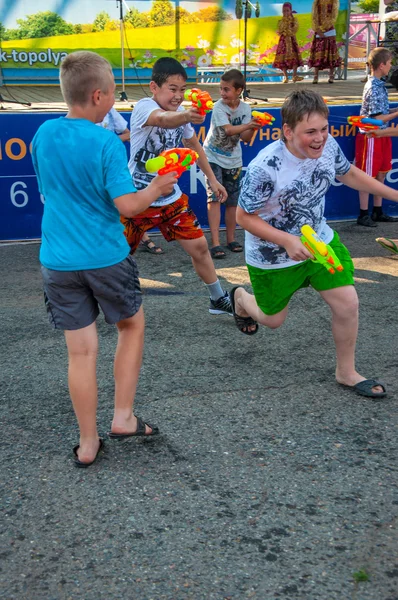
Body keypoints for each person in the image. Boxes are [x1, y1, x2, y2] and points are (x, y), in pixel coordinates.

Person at [31, 51, 178, 467]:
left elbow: (52, 190)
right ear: (98, 96)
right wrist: (158, 187)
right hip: (105, 257)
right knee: (131, 326)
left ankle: (88, 441)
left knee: (80, 353)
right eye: (113, 94)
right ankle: (123, 416)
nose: (115, 101)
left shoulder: (43, 134)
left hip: (58, 260)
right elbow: (129, 206)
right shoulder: (105, 142)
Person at [231, 89, 398, 399]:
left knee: (348, 303)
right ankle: (241, 298)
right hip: (274, 256)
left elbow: (348, 174)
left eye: (324, 129)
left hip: (320, 242)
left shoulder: (328, 145)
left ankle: (346, 372)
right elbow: (244, 217)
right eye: (311, 132)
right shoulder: (264, 167)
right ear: (288, 131)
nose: (320, 138)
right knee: (272, 319)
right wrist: (285, 240)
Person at [121, 57, 233, 316]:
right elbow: (161, 119)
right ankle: (105, 300)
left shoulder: (181, 116)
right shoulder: (143, 107)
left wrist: (213, 180)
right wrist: (185, 114)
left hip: (171, 198)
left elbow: (194, 145)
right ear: (154, 86)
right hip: (136, 198)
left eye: (182, 89)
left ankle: (217, 299)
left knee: (200, 248)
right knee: (116, 257)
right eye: (172, 88)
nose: (178, 95)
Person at [202, 68, 260, 259]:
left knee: (232, 202)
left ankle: (231, 239)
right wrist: (249, 124)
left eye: (226, 89)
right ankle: (216, 243)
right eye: (221, 88)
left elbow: (245, 137)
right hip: (212, 157)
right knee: (215, 198)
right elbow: (227, 131)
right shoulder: (218, 106)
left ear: (239, 90)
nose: (222, 93)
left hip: (234, 160)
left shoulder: (245, 109)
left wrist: (255, 127)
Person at [99, 108, 165, 255]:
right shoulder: (76, 118)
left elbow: (129, 134)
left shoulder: (109, 112)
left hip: (112, 165)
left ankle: (143, 238)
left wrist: (110, 141)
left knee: (122, 203)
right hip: (91, 167)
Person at [355, 48, 398, 227]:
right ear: (381, 65)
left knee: (381, 173)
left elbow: (382, 112)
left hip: (382, 135)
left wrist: (393, 112)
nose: (390, 66)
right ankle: (363, 213)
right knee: (367, 176)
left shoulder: (379, 84)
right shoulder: (373, 86)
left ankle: (377, 210)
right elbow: (376, 119)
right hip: (371, 135)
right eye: (389, 63)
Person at [308, 0, 341, 84]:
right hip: (319, 29)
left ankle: (331, 76)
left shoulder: (333, 1)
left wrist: (326, 27)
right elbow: (314, 16)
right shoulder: (317, 2)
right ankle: (315, 77)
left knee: (331, 52)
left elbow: (334, 15)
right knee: (318, 52)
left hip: (329, 29)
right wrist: (318, 29)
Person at [273, 2, 304, 84]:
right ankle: (285, 77)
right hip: (283, 41)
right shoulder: (281, 21)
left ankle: (294, 76)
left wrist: (287, 31)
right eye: (284, 11)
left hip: (291, 39)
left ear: (290, 11)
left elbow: (295, 29)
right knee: (282, 58)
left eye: (287, 10)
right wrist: (282, 31)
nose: (286, 13)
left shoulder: (294, 20)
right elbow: (280, 30)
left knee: (294, 58)